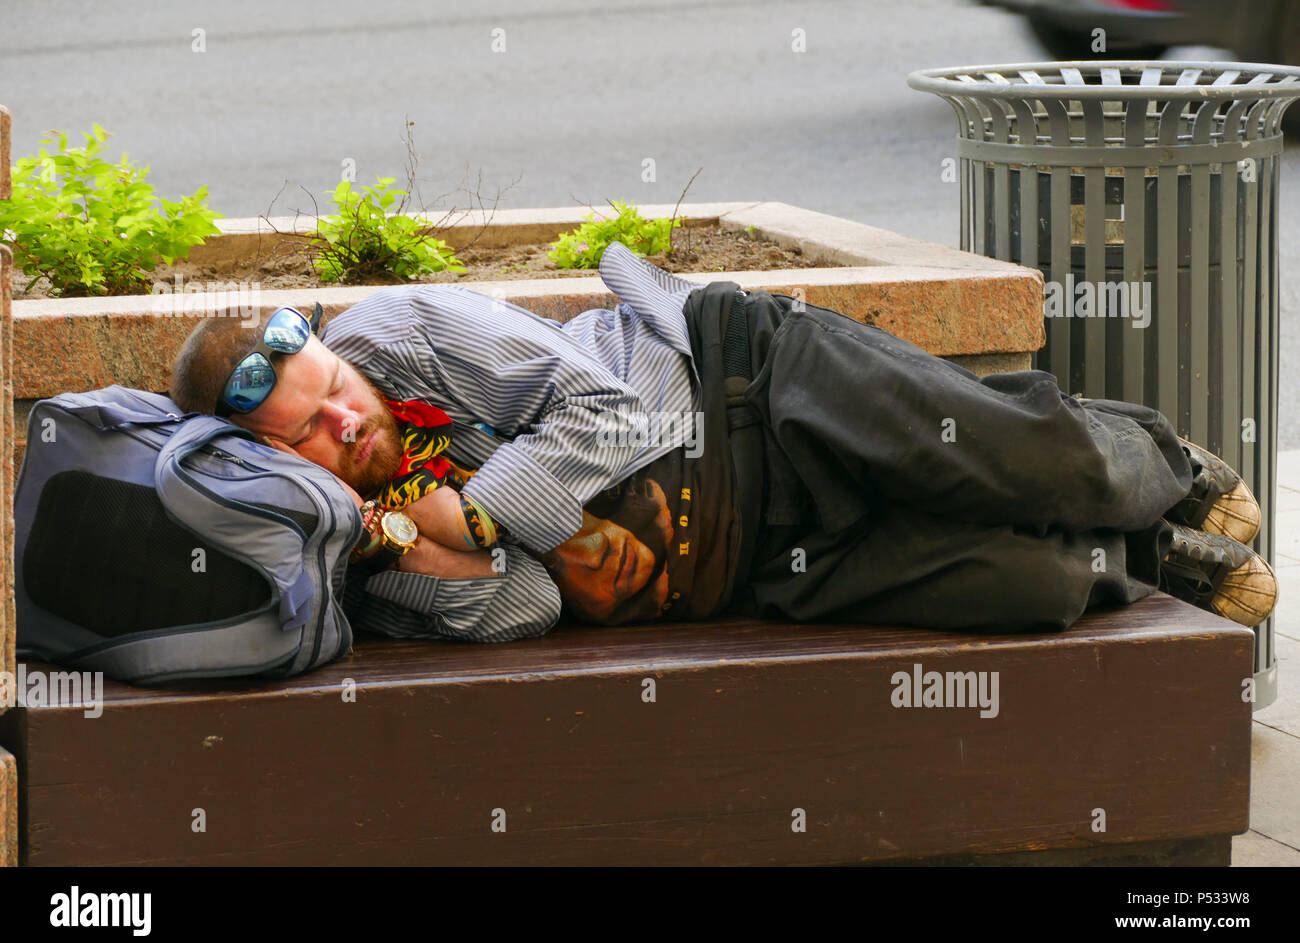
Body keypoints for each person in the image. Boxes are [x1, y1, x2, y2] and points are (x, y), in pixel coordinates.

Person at [168, 241, 1277, 643]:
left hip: (750, 386)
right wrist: (403, 541)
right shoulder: (359, 564)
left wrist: (490, 508)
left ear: (331, 346)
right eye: (311, 434)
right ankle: (1153, 561)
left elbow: (609, 412)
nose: (346, 421)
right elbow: (532, 606)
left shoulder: (397, 334)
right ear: (276, 466)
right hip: (753, 567)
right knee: (1027, 583)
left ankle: (1161, 464)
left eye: (335, 392)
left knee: (1043, 461)